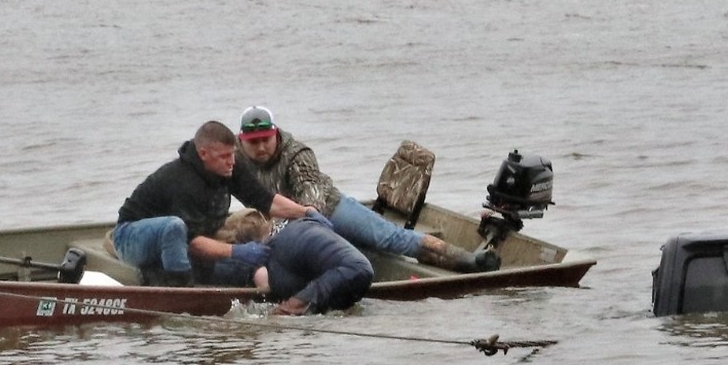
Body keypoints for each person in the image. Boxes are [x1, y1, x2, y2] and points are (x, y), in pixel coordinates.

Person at [234, 106, 500, 273]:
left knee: (389, 239)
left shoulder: (297, 154)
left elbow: (311, 199)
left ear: (275, 134)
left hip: (328, 209)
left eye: (265, 140)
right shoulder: (232, 157)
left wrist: (296, 227)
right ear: (241, 140)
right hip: (279, 223)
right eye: (252, 142)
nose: (260, 148)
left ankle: (468, 260)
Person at [113, 120, 322, 287]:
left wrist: (305, 211)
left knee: (249, 249)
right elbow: (193, 242)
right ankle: (178, 288)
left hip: (188, 240)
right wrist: (238, 252)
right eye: (224, 156)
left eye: (233, 154)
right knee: (174, 228)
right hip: (131, 237)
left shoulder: (229, 166)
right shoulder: (182, 182)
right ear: (203, 154)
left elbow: (265, 201)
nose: (231, 161)